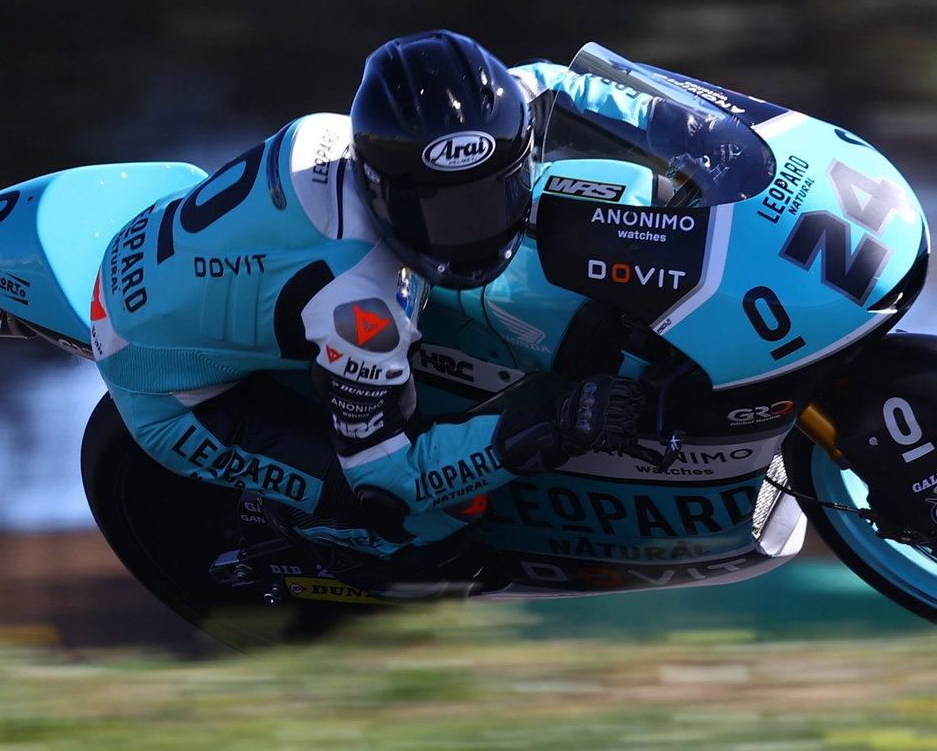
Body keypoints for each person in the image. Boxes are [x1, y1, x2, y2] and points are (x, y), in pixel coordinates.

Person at [88, 29, 692, 588]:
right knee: (423, 527)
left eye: (493, 193)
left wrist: (697, 135)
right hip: (175, 393)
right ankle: (338, 551)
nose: (477, 232)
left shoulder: (467, 122)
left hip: (195, 270)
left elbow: (569, 85)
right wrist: (558, 426)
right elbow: (389, 479)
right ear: (379, 189)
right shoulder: (358, 303)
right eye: (445, 215)